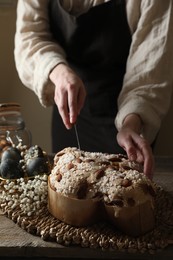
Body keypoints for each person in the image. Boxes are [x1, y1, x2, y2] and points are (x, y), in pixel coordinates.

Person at [14, 0, 173, 179]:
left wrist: (131, 125)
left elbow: (148, 72)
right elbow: (30, 36)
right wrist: (58, 72)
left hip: (128, 120)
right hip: (69, 110)